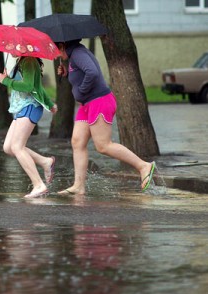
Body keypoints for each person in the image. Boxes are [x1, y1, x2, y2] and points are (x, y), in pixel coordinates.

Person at [55, 39, 155, 195]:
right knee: (77, 141)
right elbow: (82, 75)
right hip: (86, 105)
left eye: (56, 50)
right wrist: (68, 73)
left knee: (103, 145)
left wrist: (81, 90)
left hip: (99, 102)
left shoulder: (78, 53)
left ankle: (143, 166)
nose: (55, 55)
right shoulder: (74, 55)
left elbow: (92, 73)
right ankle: (78, 186)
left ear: (62, 45)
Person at [0, 55, 58, 198]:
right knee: (8, 147)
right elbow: (38, 87)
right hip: (20, 108)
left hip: (30, 107)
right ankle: (45, 162)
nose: (10, 50)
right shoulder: (20, 61)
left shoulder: (29, 61)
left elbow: (29, 86)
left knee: (17, 147)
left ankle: (38, 185)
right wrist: (50, 104)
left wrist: (6, 81)